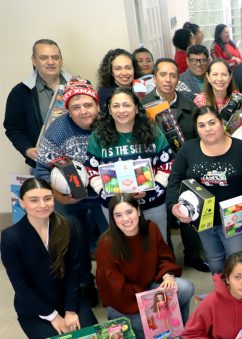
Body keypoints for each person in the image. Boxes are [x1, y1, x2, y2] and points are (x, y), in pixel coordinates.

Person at [1, 178, 98, 339]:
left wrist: (70, 311)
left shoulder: (68, 225)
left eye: (47, 198)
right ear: (22, 203)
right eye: (34, 200)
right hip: (36, 309)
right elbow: (21, 286)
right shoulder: (11, 237)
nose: (42, 205)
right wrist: (53, 316)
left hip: (69, 300)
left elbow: (74, 272)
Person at [167, 107, 242, 275]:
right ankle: (220, 290)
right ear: (196, 128)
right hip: (203, 219)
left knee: (238, 262)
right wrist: (173, 205)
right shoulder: (188, 149)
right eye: (202, 125)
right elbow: (174, 180)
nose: (208, 129)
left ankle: (237, 291)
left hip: (235, 215)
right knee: (215, 261)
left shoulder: (241, 149)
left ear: (221, 123)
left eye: (212, 123)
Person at [34, 79, 106, 305]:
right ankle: (85, 283)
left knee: (112, 237)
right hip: (69, 198)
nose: (83, 111)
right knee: (75, 240)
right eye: (76, 107)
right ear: (68, 110)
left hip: (103, 193)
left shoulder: (109, 124)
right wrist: (59, 196)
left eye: (88, 105)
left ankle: (110, 279)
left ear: (98, 106)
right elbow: (40, 170)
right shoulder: (57, 131)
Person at [95, 194, 194, 339]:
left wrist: (167, 275)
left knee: (185, 288)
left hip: (149, 287)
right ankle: (172, 331)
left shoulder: (151, 228)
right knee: (156, 329)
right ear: (113, 218)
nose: (125, 219)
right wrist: (150, 305)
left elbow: (164, 256)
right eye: (118, 215)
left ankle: (179, 330)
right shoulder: (107, 243)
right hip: (124, 302)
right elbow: (114, 287)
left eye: (129, 212)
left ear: (138, 211)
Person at [140, 58, 207, 272]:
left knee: (189, 211)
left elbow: (198, 139)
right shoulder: (142, 107)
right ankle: (166, 260)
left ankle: (193, 255)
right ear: (154, 77)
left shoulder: (189, 105)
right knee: (161, 217)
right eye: (163, 75)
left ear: (178, 78)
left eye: (173, 75)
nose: (168, 80)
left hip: (184, 169)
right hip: (155, 171)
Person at [86, 87, 174, 240]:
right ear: (109, 110)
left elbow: (167, 165)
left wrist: (152, 191)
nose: (121, 110)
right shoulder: (98, 137)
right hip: (116, 208)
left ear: (137, 108)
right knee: (122, 249)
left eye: (126, 105)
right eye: (116, 106)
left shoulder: (154, 132)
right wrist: (107, 193)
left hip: (152, 204)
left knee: (157, 246)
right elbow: (92, 170)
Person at [5, 39, 72, 168]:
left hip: (80, 160)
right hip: (43, 163)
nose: (50, 62)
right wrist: (27, 149)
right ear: (34, 61)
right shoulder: (21, 92)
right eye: (43, 58)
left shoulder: (80, 85)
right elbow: (14, 128)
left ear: (61, 61)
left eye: (55, 57)